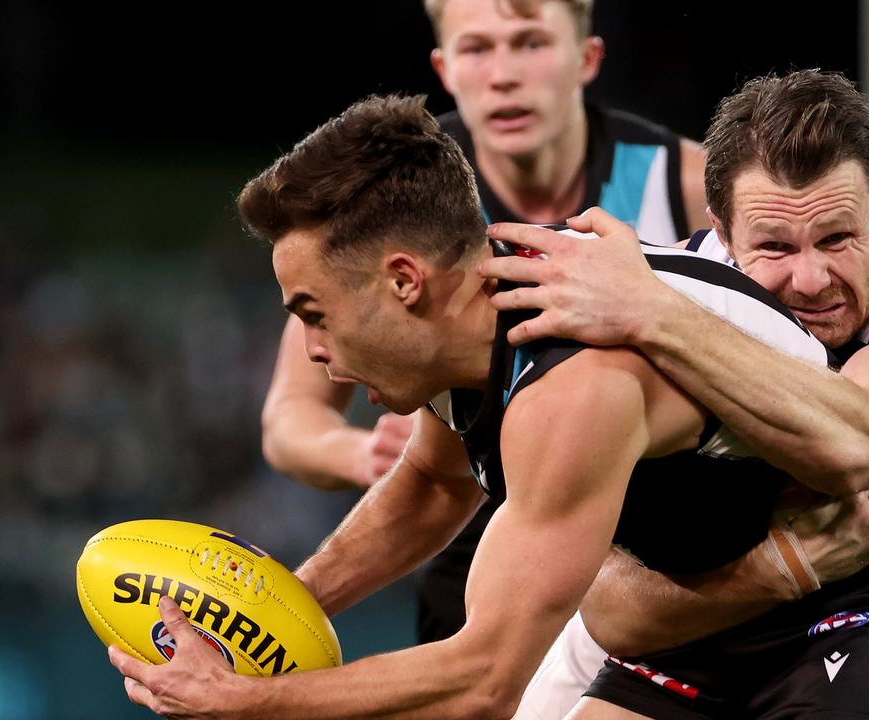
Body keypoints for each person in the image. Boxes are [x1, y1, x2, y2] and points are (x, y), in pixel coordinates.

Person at [109, 94, 869, 719]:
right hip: (705, 611)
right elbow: (428, 487)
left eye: (314, 313)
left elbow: (483, 679)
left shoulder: (572, 385)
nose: (313, 353)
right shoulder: (483, 307)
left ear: (406, 282)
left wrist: (245, 703)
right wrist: (269, 614)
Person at [483, 69, 869, 717]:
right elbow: (608, 604)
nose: (810, 278)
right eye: (773, 245)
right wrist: (780, 567)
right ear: (723, 235)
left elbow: (866, 438)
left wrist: (656, 316)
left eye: (836, 238)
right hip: (696, 605)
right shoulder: (672, 291)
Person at [259, 0, 710, 647]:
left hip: (658, 549)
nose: (503, 74)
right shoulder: (395, 200)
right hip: (474, 539)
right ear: (443, 68)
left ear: (587, 59)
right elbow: (289, 419)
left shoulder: (685, 184)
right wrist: (366, 452)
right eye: (477, 49)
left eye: (530, 44)